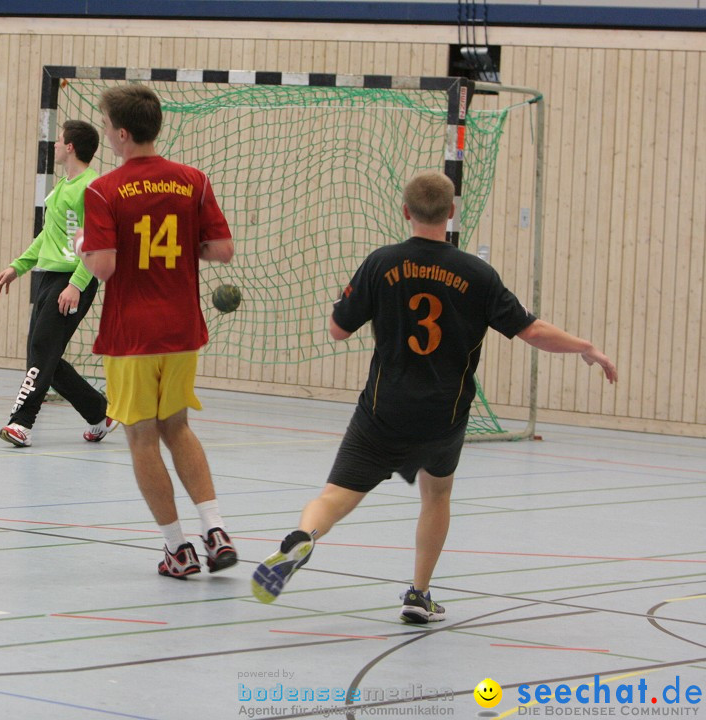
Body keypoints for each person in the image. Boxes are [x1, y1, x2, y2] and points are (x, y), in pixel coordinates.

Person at [251, 170, 617, 621]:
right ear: (452, 212)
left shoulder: (381, 263)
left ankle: (304, 537)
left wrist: (343, 304)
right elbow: (532, 330)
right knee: (436, 496)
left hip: (383, 411)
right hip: (444, 415)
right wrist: (586, 347)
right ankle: (418, 594)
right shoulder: (478, 274)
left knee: (335, 496)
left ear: (406, 211)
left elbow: (338, 330)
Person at [77, 85, 238, 579]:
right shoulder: (194, 180)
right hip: (182, 328)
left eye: (105, 126)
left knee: (142, 438)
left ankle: (178, 549)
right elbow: (222, 250)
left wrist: (85, 246)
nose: (105, 134)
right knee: (179, 427)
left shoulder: (102, 190)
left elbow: (102, 267)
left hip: (133, 334)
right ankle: (216, 529)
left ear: (122, 133)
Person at [0, 120, 116, 448]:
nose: (56, 145)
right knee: (43, 354)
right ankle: (98, 412)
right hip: (49, 276)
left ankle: (22, 423)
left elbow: (99, 243)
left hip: (75, 279)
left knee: (42, 351)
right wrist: (18, 266)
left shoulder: (93, 188)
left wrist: (76, 284)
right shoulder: (62, 187)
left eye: (60, 140)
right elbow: (49, 235)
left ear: (71, 146)